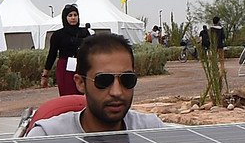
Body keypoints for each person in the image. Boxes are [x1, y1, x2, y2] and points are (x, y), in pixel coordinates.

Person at [26, 32, 164, 136]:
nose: (117, 92)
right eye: (103, 80)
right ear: (80, 83)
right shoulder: (46, 137)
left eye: (127, 80)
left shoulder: (153, 130)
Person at [44, 4, 91, 95]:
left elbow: (91, 50)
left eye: (75, 15)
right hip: (65, 67)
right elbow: (52, 54)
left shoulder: (84, 32)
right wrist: (45, 75)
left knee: (81, 93)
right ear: (65, 17)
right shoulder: (58, 34)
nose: (73, 18)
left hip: (81, 66)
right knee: (67, 94)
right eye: (70, 15)